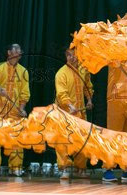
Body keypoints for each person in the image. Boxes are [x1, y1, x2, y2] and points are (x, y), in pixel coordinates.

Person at [0, 43, 30, 177]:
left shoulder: (23, 71)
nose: (18, 52)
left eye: (20, 50)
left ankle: (15, 168)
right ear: (9, 52)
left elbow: (25, 93)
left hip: (14, 113)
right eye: (16, 49)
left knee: (17, 140)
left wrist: (21, 109)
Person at [54, 48, 93, 179]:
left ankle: (80, 168)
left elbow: (88, 86)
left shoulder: (84, 70)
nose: (73, 58)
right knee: (63, 141)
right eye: (69, 55)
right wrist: (70, 106)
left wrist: (89, 100)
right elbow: (61, 94)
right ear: (66, 57)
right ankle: (64, 168)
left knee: (82, 141)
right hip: (64, 113)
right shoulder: (61, 73)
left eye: (75, 55)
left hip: (80, 113)